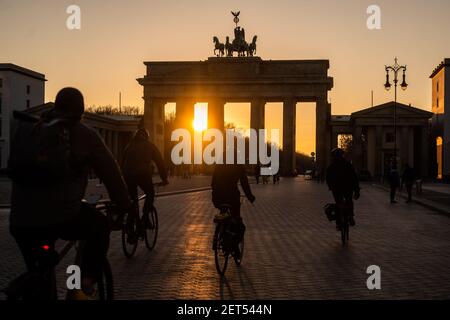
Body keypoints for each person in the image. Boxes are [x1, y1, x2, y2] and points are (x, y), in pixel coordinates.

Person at [8, 87, 132, 299]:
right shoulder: (85, 134)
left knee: (39, 272)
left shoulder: (30, 128)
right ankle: (85, 284)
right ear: (81, 111)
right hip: (61, 215)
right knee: (99, 227)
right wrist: (125, 205)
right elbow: (112, 174)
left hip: (20, 219)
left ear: (56, 106)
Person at [121, 128, 168, 242]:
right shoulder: (149, 145)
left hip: (128, 175)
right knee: (150, 193)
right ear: (146, 136)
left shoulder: (129, 146)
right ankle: (145, 217)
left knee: (133, 200)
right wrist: (164, 178)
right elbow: (160, 162)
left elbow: (122, 162)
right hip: (143, 174)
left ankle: (131, 225)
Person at [211, 150, 255, 256]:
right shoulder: (237, 166)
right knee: (239, 224)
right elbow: (244, 183)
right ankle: (234, 247)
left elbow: (212, 183)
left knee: (223, 214)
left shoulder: (219, 165)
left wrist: (217, 192)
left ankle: (221, 235)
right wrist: (250, 197)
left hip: (218, 198)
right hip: (232, 198)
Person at [326, 148, 360, 228]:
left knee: (338, 204)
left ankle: (338, 222)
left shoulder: (331, 166)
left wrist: (330, 186)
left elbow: (328, 178)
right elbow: (354, 178)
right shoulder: (348, 165)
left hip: (336, 188)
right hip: (348, 187)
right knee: (349, 201)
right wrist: (356, 190)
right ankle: (350, 216)